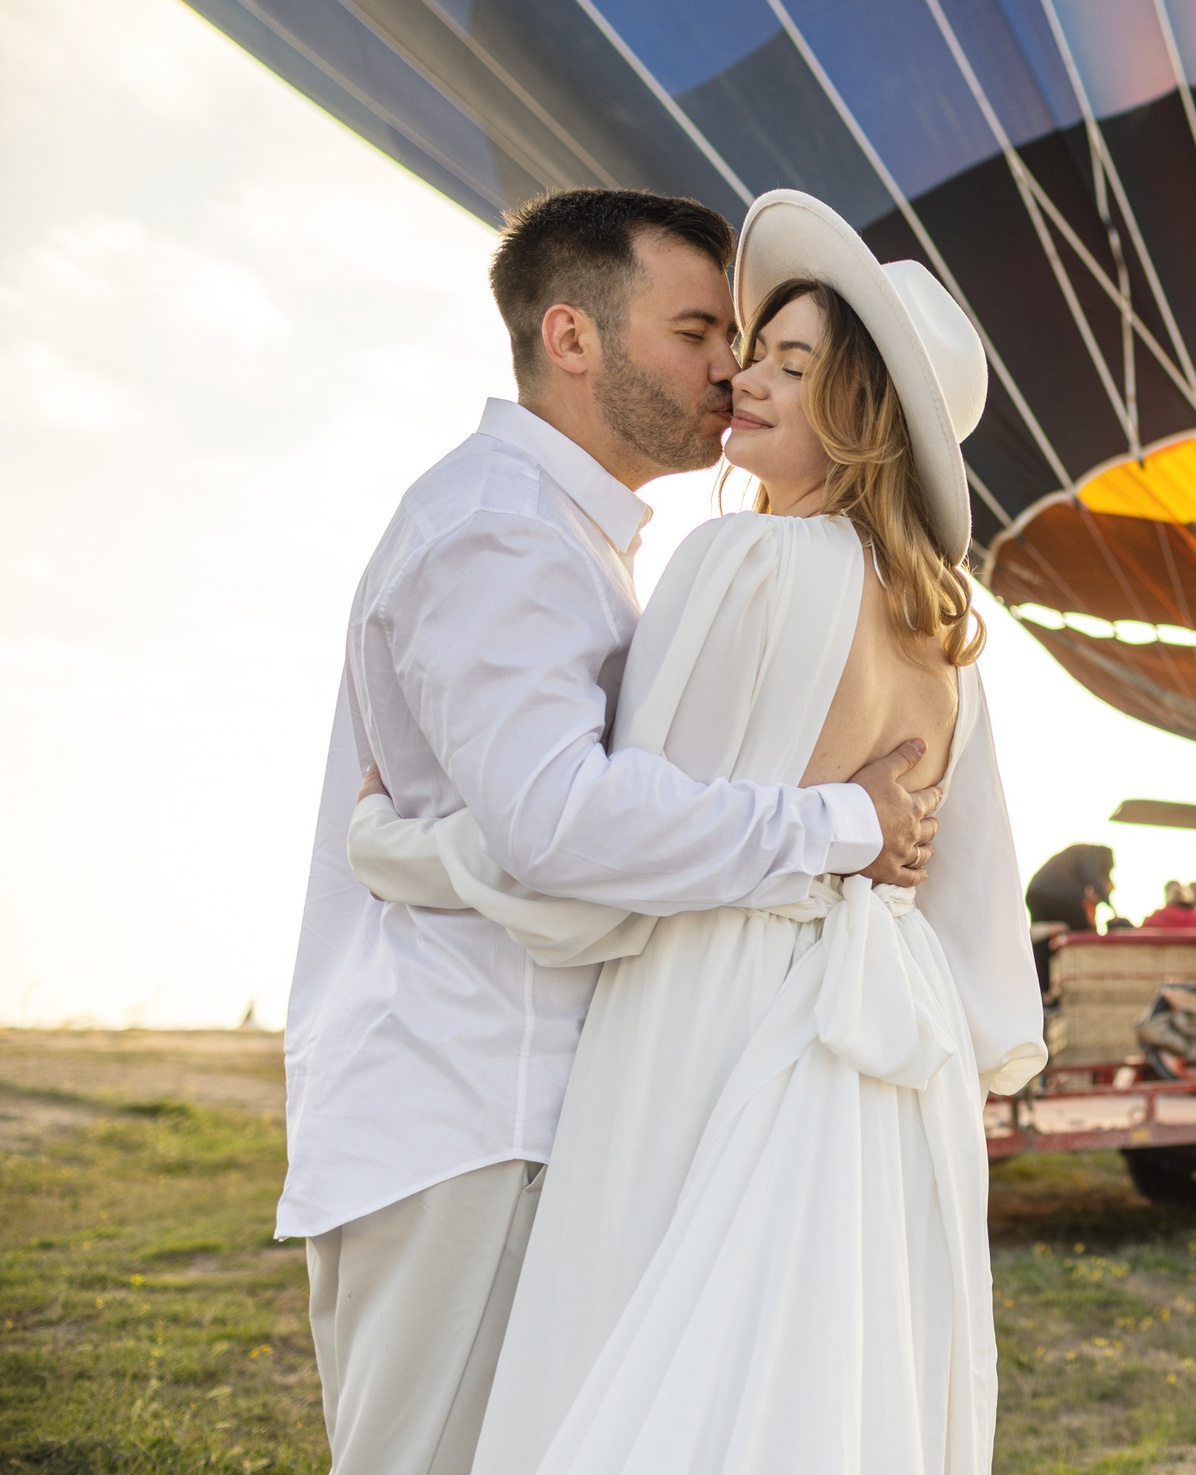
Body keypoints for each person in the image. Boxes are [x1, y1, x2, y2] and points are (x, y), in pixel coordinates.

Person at [344, 190, 1046, 1472]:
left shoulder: (740, 565)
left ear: (864, 411)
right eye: (744, 347)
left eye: (791, 363)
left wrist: (395, 845)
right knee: (816, 1380)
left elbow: (594, 865)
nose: (742, 377)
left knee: (638, 1364)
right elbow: (969, 903)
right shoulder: (947, 628)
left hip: (713, 1007)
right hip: (894, 1049)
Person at [1024, 843, 1112, 996]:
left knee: (1041, 944)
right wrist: (1110, 904)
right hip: (1061, 895)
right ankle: (1088, 987)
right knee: (1087, 934)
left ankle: (1042, 992)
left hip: (1035, 892)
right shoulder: (1092, 853)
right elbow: (1092, 876)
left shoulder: (1074, 854)